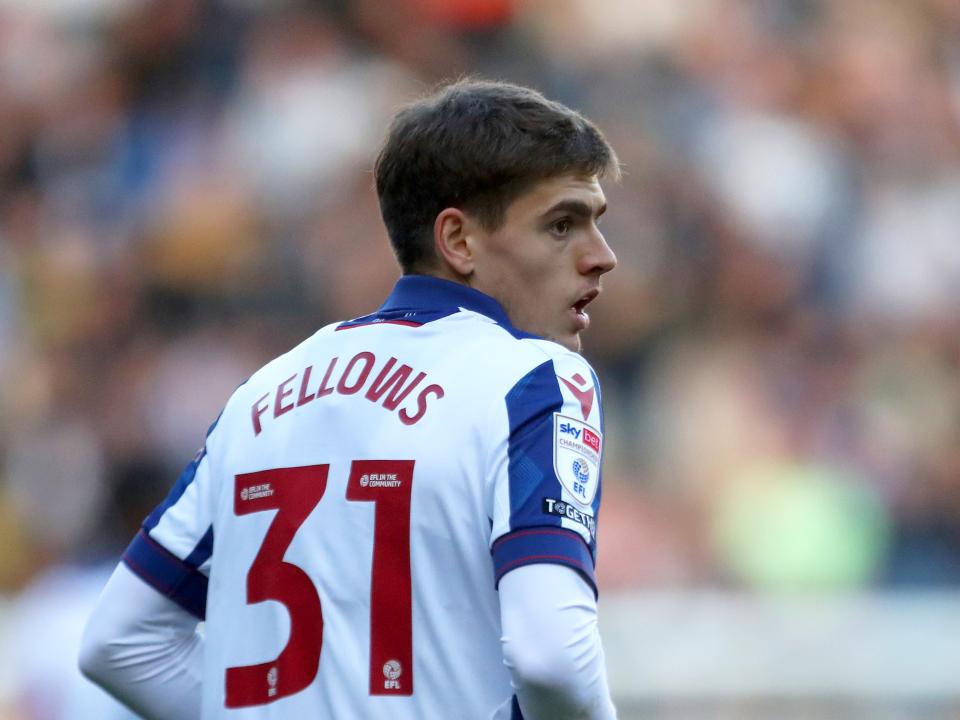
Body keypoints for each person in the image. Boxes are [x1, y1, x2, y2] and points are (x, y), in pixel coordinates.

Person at [80, 78, 620, 720]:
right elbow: (551, 659)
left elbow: (120, 642)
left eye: (595, 222)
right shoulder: (535, 378)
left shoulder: (262, 392)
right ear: (459, 241)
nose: (602, 257)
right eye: (562, 224)